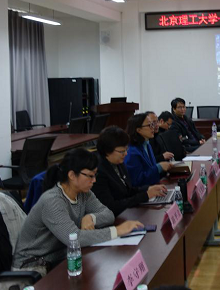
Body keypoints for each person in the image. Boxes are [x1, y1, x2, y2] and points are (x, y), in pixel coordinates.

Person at [13, 148, 142, 275]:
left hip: (63, 258)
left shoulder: (84, 194)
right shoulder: (52, 201)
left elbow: (108, 214)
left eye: (95, 175)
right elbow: (75, 239)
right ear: (72, 175)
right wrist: (117, 231)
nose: (94, 180)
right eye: (90, 176)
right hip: (33, 267)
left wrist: (91, 217)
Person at [92, 126, 168, 216]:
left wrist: (148, 189)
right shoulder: (98, 172)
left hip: (125, 213)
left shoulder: (118, 162)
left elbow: (128, 191)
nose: (126, 154)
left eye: (126, 149)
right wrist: (145, 195)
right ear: (107, 150)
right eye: (122, 151)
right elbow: (111, 207)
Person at [124, 112, 173, 187]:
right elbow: (137, 181)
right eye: (149, 125)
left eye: (152, 124)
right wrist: (159, 167)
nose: (153, 127)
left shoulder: (147, 144)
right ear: (138, 130)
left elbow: (150, 169)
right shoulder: (132, 152)